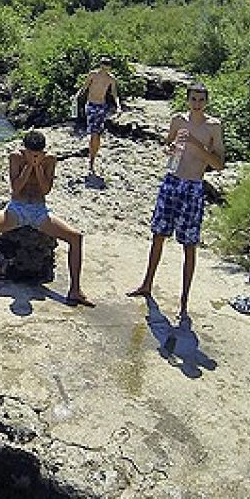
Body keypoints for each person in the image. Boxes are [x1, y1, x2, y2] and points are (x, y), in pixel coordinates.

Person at [0, 130, 93, 306]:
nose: (35, 156)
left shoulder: (50, 160)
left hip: (39, 211)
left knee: (76, 237)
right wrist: (28, 167)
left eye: (38, 154)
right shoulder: (15, 158)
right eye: (32, 154)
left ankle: (75, 289)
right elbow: (15, 188)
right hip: (17, 208)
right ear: (25, 150)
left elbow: (46, 189)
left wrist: (38, 167)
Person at [127, 81, 225, 316]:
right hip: (172, 181)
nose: (197, 104)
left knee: (189, 245)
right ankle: (146, 284)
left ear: (207, 101)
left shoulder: (213, 126)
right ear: (187, 100)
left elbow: (219, 164)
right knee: (158, 235)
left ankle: (184, 299)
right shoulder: (178, 120)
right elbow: (168, 144)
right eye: (194, 99)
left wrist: (197, 146)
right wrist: (171, 148)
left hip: (193, 186)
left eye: (201, 100)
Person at [81, 57, 119, 174]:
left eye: (107, 64)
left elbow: (114, 94)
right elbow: (84, 87)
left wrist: (118, 106)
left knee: (97, 134)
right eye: (103, 64)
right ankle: (91, 160)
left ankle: (93, 157)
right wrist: (77, 96)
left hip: (102, 107)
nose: (105, 66)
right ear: (100, 65)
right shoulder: (93, 74)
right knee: (93, 133)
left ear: (109, 67)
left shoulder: (111, 79)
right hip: (91, 105)